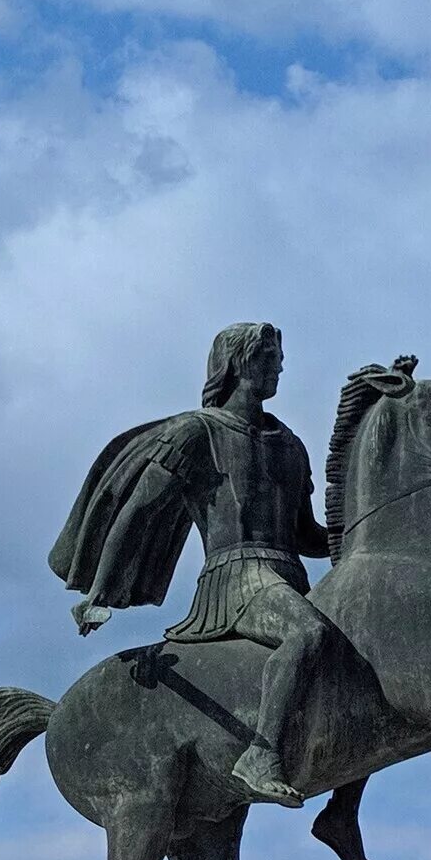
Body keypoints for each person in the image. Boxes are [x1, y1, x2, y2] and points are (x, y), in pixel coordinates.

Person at [50, 321, 336, 807]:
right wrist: (101, 592)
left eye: (279, 355)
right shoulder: (194, 433)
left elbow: (305, 535)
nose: (281, 364)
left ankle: (342, 813)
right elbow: (139, 511)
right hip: (237, 581)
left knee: (356, 660)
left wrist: (363, 527)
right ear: (239, 362)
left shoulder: (290, 445)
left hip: (289, 581)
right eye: (270, 355)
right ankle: (260, 756)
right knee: (309, 635)